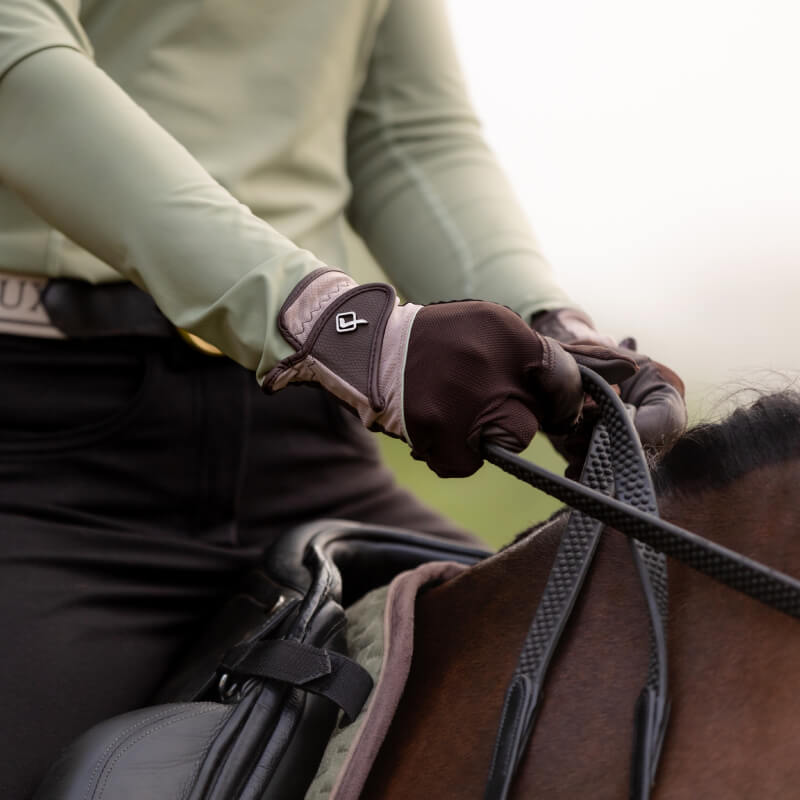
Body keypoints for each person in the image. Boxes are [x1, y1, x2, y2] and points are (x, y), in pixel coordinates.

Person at [0, 0, 686, 795]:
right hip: (40, 438)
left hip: (301, 429)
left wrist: (554, 335)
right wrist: (343, 328)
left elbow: (407, 131)